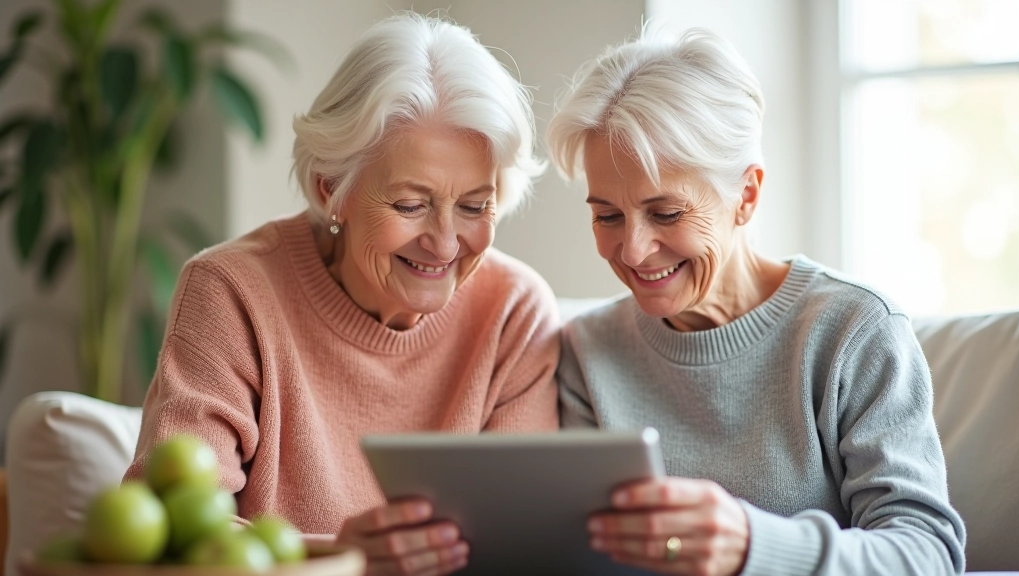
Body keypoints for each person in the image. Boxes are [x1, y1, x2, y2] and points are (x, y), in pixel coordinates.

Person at [124, 13, 559, 575]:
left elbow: (522, 542)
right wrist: (340, 559)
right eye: (410, 204)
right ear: (334, 190)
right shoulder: (233, 292)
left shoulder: (514, 313)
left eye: (475, 205)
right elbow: (173, 529)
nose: (446, 242)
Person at [547, 27, 966, 576]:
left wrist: (752, 545)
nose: (633, 249)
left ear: (745, 195)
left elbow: (927, 554)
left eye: (667, 213)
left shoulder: (853, 330)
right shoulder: (588, 349)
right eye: (606, 215)